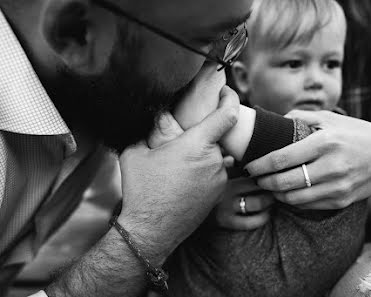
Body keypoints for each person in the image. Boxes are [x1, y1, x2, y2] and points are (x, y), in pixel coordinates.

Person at [165, 1, 371, 296]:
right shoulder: (222, 143)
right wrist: (209, 204)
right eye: (294, 64)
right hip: (231, 276)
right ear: (245, 78)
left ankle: (210, 113)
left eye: (331, 64)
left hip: (329, 273)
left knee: (318, 142)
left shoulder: (347, 129)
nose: (316, 80)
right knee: (291, 137)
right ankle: (216, 116)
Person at [0, 0, 256, 296]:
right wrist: (145, 234)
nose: (218, 66)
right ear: (76, 33)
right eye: (208, 40)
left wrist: (306, 144)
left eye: (234, 33)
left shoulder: (98, 81)